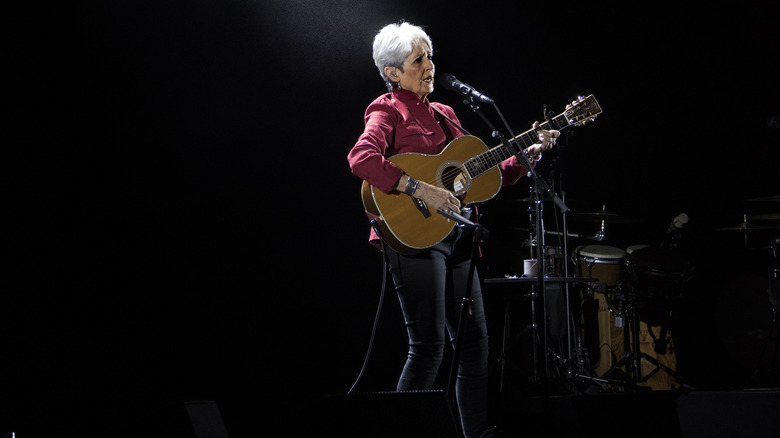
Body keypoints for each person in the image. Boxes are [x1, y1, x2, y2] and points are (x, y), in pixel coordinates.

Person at [347, 21, 558, 438]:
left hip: (459, 236)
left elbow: (481, 177)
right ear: (393, 72)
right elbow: (361, 158)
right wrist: (419, 188)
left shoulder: (446, 114)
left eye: (429, 56)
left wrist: (527, 155)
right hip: (415, 239)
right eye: (418, 60)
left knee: (475, 345)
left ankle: (476, 434)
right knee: (428, 349)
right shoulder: (386, 109)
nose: (429, 66)